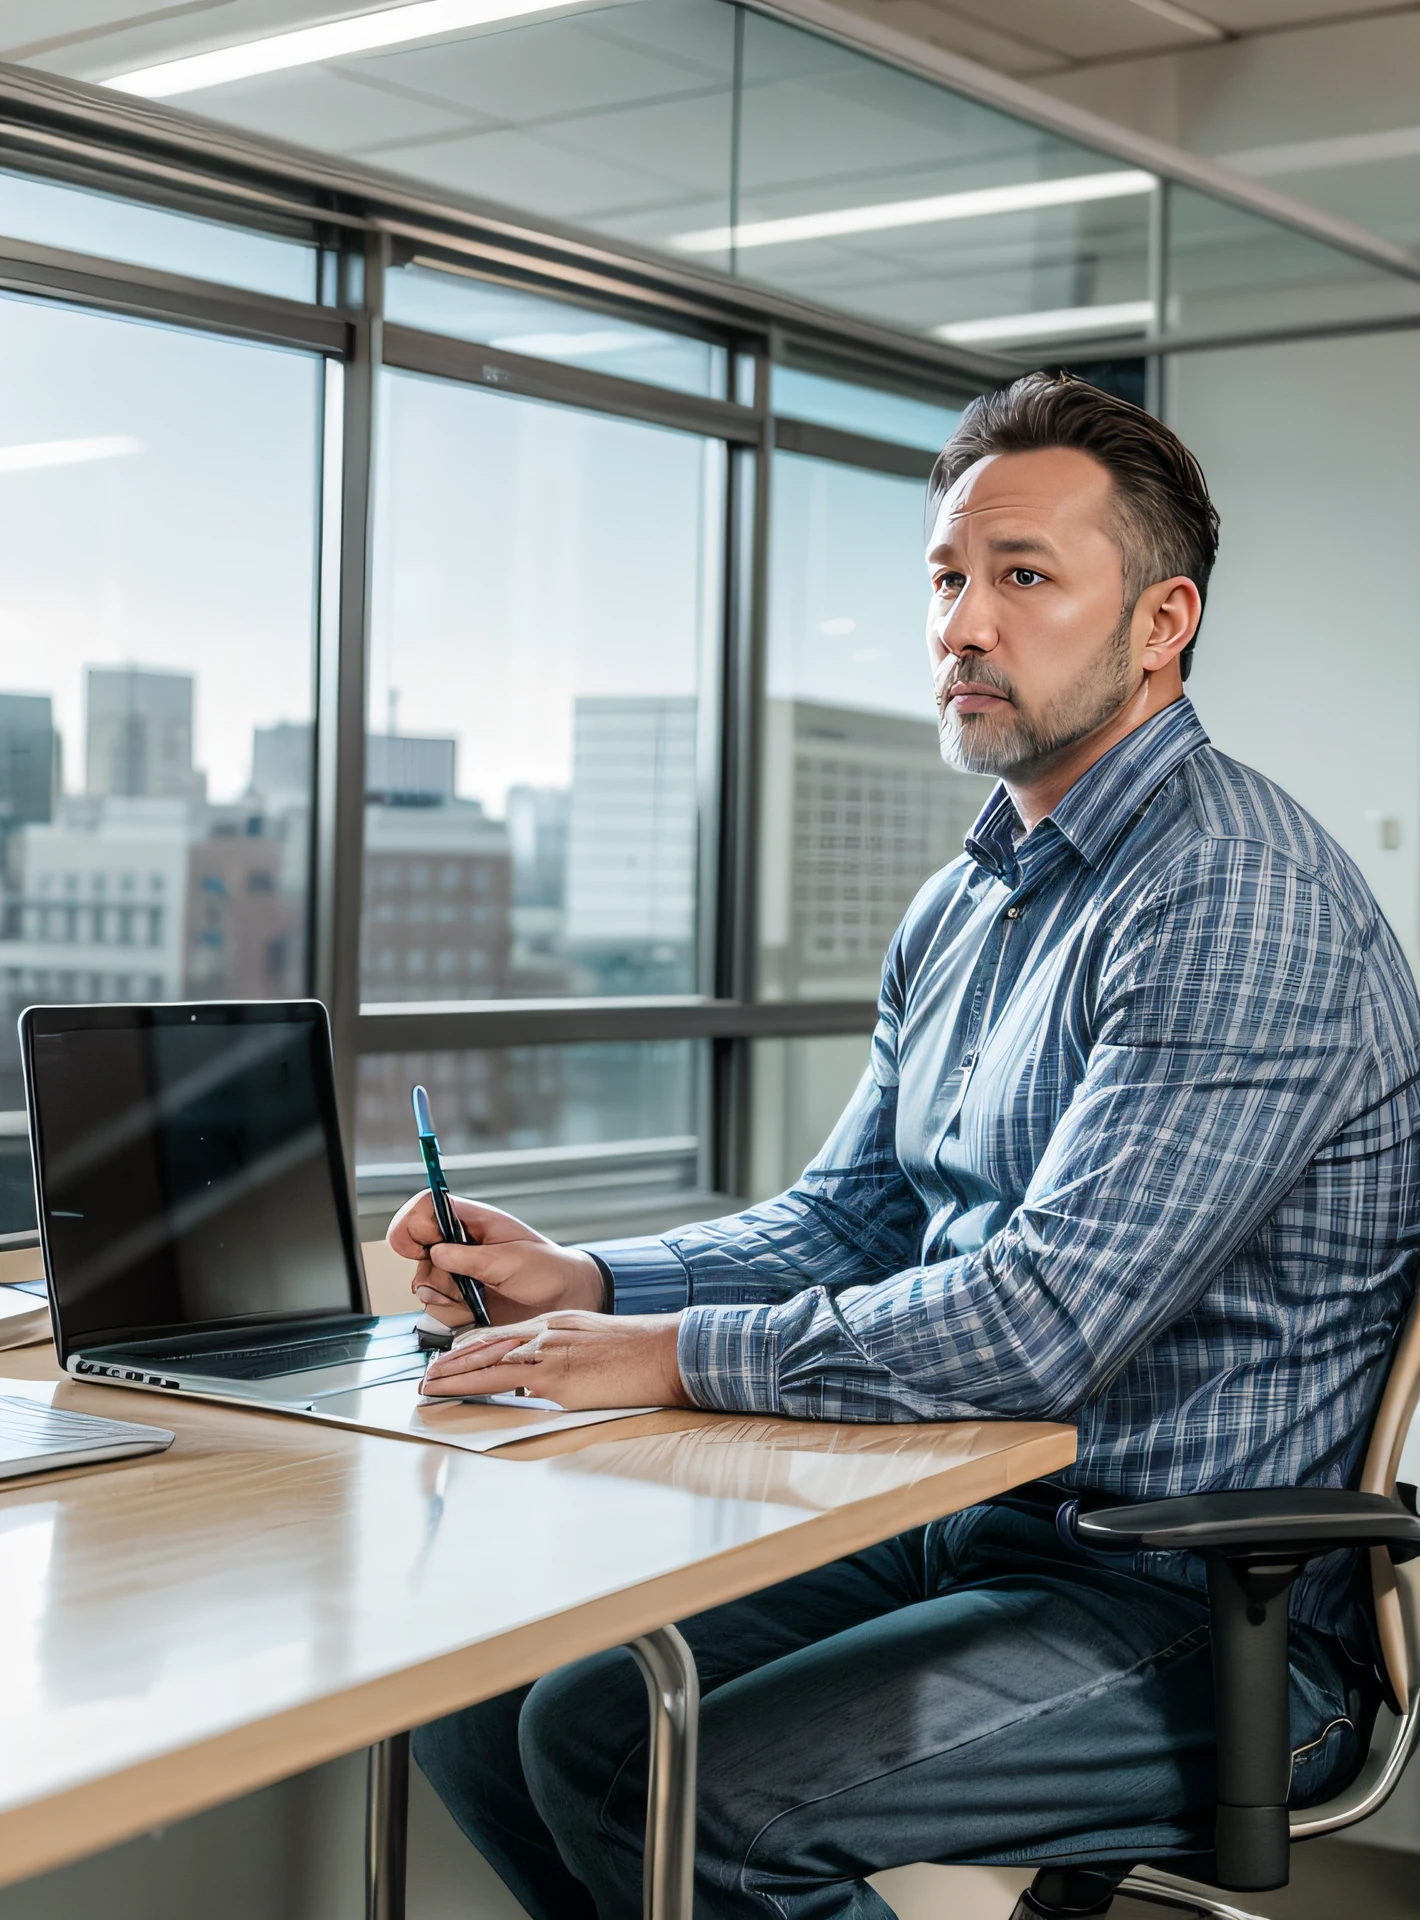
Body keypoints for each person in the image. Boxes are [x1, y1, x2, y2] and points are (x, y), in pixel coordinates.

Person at [389, 371, 1420, 1920]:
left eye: (1023, 579)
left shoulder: (1234, 899)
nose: (962, 629)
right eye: (947, 580)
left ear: (1161, 624)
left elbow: (1044, 1322)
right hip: (967, 1529)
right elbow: (846, 1220)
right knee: (484, 1703)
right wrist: (582, 1278)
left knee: (685, 1796)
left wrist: (666, 1353)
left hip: (1186, 1599)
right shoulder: (971, 901)